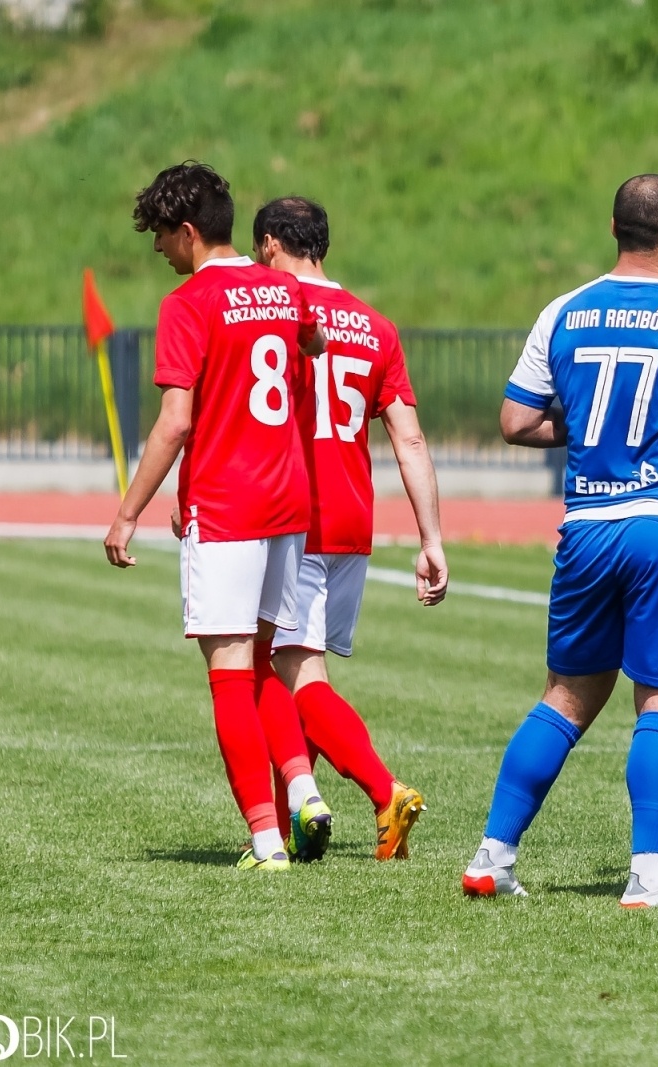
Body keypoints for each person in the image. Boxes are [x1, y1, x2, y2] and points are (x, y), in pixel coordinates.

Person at [461, 174, 658, 908]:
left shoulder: (563, 310)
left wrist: (591, 428)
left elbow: (516, 421)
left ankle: (492, 856)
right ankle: (650, 873)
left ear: (614, 228)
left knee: (565, 695)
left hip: (588, 525)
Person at [103, 162, 331, 872]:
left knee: (230, 672)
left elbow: (175, 421)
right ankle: (303, 792)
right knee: (264, 662)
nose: (157, 249)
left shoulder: (188, 303)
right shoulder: (284, 287)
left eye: (161, 235)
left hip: (230, 505)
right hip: (288, 502)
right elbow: (315, 343)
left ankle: (266, 842)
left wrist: (127, 513)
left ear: (188, 231)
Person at [247, 196, 446, 862]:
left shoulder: (269, 311)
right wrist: (430, 538)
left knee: (289, 670)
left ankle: (381, 791)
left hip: (290, 514)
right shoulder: (375, 326)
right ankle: (300, 817)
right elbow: (409, 439)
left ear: (270, 244)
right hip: (353, 518)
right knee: (303, 667)